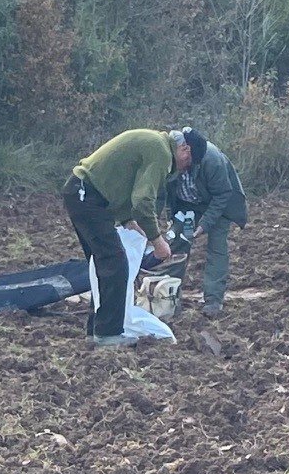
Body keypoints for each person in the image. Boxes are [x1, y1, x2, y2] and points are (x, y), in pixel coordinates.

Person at [62, 128, 192, 347]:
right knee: (114, 263)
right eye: (188, 161)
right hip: (87, 197)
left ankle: (96, 331)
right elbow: (142, 201)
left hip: (82, 193)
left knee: (102, 267)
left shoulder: (155, 143)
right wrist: (157, 239)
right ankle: (108, 335)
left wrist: (126, 220)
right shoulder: (160, 152)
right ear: (184, 149)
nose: (186, 167)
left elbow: (120, 183)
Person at [163, 133, 248, 316]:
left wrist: (204, 224)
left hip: (217, 204)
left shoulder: (212, 159)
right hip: (187, 205)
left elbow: (223, 194)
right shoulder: (166, 157)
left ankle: (213, 300)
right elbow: (167, 193)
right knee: (176, 245)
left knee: (216, 248)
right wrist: (171, 219)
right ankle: (170, 298)